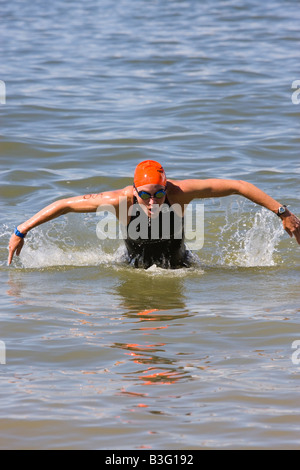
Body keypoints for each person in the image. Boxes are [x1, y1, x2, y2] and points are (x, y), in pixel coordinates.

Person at [8, 160, 300, 268]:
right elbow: (66, 204)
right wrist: (22, 230)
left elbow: (238, 186)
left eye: (158, 193)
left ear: (166, 188)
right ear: (134, 191)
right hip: (131, 264)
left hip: (179, 263)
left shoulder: (179, 193)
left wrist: (282, 212)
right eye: (145, 195)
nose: (152, 201)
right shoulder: (121, 201)